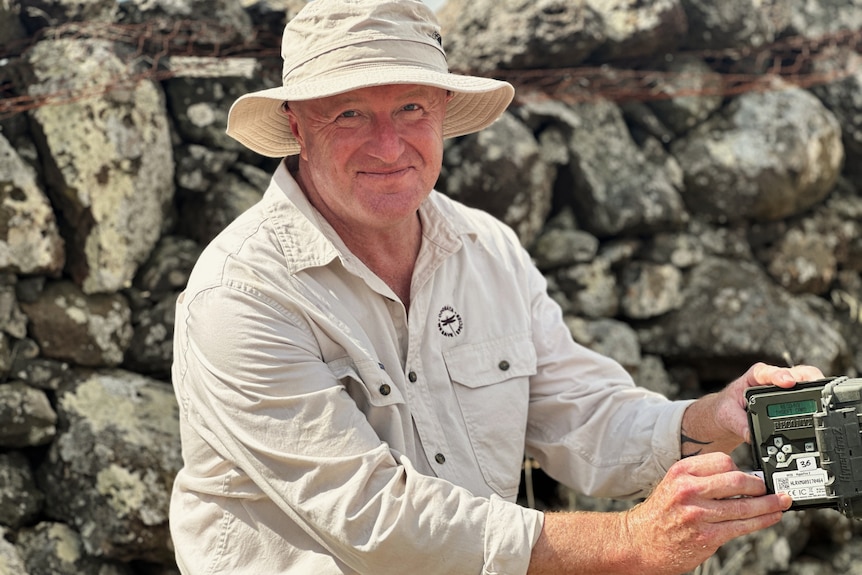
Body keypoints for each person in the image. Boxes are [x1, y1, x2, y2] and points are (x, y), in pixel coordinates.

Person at [168, 0, 825, 573]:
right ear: (296, 128)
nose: (389, 142)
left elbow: (582, 413)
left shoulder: (488, 249)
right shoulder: (242, 295)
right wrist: (629, 541)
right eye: (348, 114)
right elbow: (374, 519)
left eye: (410, 107)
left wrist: (714, 416)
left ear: (443, 112)